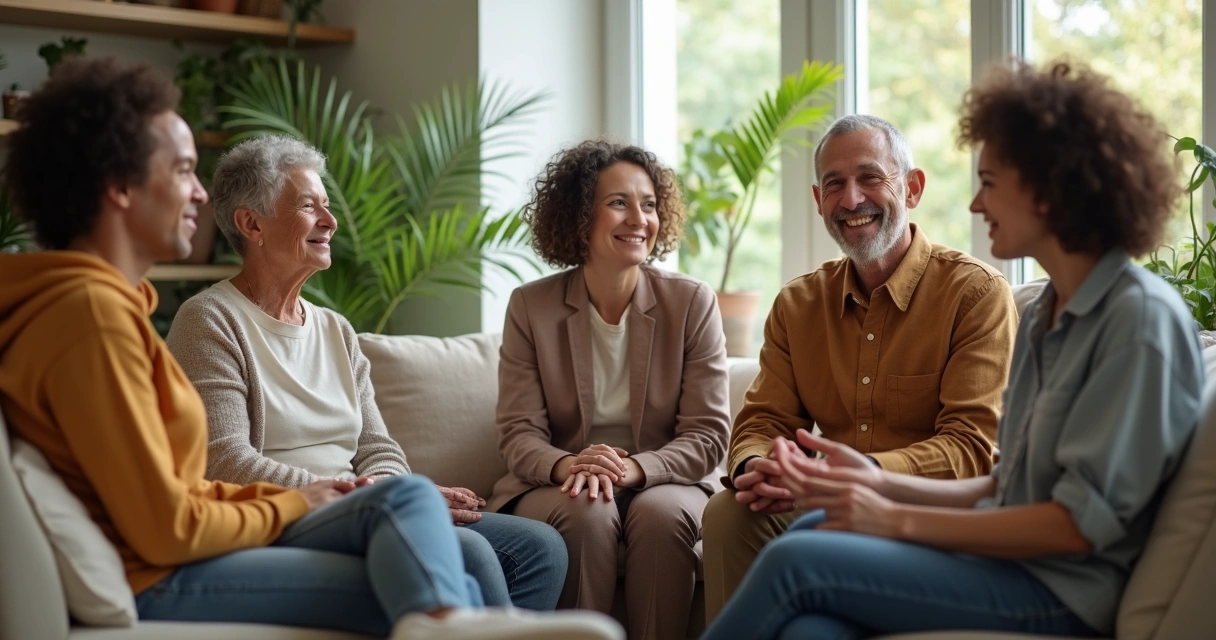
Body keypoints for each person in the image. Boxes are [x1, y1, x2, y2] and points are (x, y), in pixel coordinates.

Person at [0, 56, 621, 640]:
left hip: (177, 554)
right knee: (434, 540)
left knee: (451, 515)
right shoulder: (93, 319)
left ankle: (443, 616)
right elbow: (171, 520)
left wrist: (344, 491)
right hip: (158, 579)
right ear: (119, 187)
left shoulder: (103, 310)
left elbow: (176, 490)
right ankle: (443, 618)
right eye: (184, 170)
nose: (198, 194)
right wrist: (304, 497)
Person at [701, 59, 1203, 640]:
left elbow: (1076, 527)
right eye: (834, 184)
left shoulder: (1136, 318)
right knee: (808, 626)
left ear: (1050, 187)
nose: (975, 205)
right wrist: (863, 479)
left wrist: (890, 513)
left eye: (989, 184)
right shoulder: (1048, 313)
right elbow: (1005, 485)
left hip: (1064, 589)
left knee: (798, 559)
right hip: (1004, 562)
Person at [166, 134, 568, 612]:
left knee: (540, 549)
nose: (331, 222)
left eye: (327, 205)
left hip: (368, 505)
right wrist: (360, 494)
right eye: (309, 206)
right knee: (472, 553)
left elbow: (378, 446)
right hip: (283, 511)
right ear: (251, 223)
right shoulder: (209, 320)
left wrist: (386, 488)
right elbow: (225, 460)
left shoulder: (336, 329)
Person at [702, 113, 1019, 620]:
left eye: (870, 177)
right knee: (730, 513)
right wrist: (756, 466)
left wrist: (862, 473)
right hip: (826, 503)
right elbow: (765, 421)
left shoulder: (976, 293)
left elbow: (973, 447)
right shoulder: (798, 304)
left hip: (927, 511)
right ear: (818, 200)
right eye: (835, 184)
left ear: (912, 188)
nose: (851, 199)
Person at [487, 140, 731, 640]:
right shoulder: (531, 306)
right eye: (618, 202)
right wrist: (570, 466)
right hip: (564, 481)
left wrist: (634, 469)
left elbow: (708, 436)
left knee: (662, 516)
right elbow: (519, 434)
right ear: (579, 216)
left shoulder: (692, 303)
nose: (638, 218)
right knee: (587, 510)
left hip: (666, 480)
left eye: (648, 204)